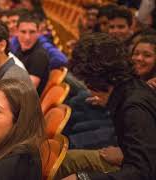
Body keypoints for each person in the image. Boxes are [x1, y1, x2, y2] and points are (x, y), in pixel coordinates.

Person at [60, 33, 156, 180]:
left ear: (96, 78)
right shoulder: (129, 88)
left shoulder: (134, 108)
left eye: (86, 80)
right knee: (64, 159)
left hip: (135, 169)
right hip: (129, 160)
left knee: (63, 163)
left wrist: (83, 178)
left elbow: (142, 172)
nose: (87, 86)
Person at [12, 14, 50, 95]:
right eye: (23, 32)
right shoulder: (19, 49)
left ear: (39, 32)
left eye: (32, 32)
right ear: (16, 31)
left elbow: (26, 91)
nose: (27, 37)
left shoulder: (39, 56)